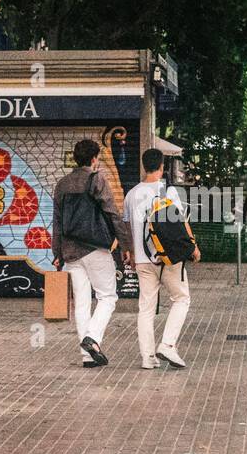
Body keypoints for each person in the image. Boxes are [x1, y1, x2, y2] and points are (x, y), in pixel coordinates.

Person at [52, 139, 132, 368]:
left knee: (82, 303)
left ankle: (87, 356)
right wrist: (125, 245)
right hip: (95, 248)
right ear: (95, 158)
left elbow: (57, 221)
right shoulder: (96, 179)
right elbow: (112, 214)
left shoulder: (62, 184)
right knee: (107, 296)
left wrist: (56, 251)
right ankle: (93, 338)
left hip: (70, 252)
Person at [124, 148, 199, 370]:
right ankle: (167, 344)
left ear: (143, 166)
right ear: (162, 167)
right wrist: (193, 246)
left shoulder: (131, 194)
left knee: (146, 308)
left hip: (142, 260)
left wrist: (128, 252)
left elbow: (127, 228)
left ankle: (148, 358)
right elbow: (181, 223)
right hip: (167, 259)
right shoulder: (168, 191)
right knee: (181, 299)